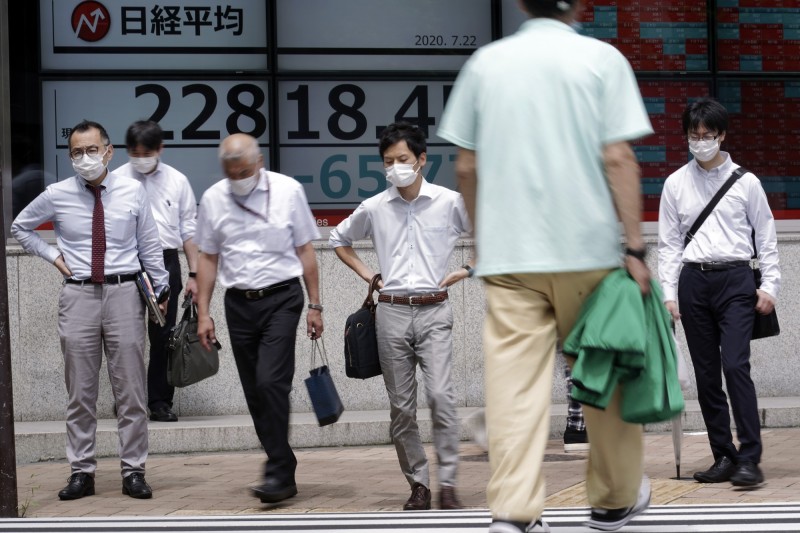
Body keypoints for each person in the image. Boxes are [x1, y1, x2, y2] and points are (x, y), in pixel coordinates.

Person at [438, 0, 654, 531]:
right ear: (580, 4)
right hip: (592, 256)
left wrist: (482, 239)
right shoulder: (602, 60)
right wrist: (634, 247)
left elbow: (466, 163)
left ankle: (513, 510)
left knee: (514, 387)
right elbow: (618, 158)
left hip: (512, 257)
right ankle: (612, 497)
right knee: (605, 373)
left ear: (519, 3)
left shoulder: (485, 64)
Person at [11, 120, 169, 501]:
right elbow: (21, 227)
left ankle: (134, 470)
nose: (85, 158)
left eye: (92, 150)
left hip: (124, 294)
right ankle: (81, 471)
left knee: (131, 390)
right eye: (77, 153)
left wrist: (161, 288)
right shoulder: (57, 193)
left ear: (109, 151)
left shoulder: (133, 191)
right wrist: (53, 256)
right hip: (78, 295)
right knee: (80, 392)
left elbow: (149, 246)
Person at [329, 122, 473, 511]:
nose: (395, 167)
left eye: (403, 159)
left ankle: (447, 483)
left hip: (435, 309)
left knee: (442, 397)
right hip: (390, 312)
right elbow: (338, 239)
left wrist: (469, 269)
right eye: (388, 161)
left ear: (422, 160)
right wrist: (369, 275)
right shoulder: (375, 207)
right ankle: (419, 484)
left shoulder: (449, 202)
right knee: (401, 407)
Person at [193, 133, 323, 504]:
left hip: (282, 297)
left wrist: (315, 305)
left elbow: (305, 249)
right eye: (232, 173)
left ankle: (279, 470)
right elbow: (208, 258)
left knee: (270, 382)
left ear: (259, 162)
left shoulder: (288, 191)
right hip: (239, 303)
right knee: (254, 391)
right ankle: (281, 460)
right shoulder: (215, 198)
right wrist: (204, 313)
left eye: (245, 171)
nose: (239, 179)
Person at [657, 97, 780, 488]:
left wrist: (770, 285)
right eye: (694, 136)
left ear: (722, 135)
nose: (700, 142)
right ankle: (723, 456)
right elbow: (669, 244)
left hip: (736, 280)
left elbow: (766, 236)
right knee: (707, 375)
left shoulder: (747, 182)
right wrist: (669, 293)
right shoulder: (675, 183)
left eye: (708, 135)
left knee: (735, 365)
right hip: (693, 282)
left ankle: (750, 458)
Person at [114, 120, 199, 423]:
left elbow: (188, 230)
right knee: (124, 336)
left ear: (159, 149)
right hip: (125, 263)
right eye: (135, 153)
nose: (141, 158)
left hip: (165, 262)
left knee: (163, 336)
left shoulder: (177, 181)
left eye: (146, 152)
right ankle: (128, 399)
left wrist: (194, 274)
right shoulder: (115, 179)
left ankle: (160, 401)